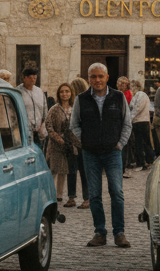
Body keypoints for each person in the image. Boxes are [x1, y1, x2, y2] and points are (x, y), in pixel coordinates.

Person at [70, 63, 132, 247]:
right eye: (93, 76)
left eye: (100, 76)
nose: (97, 80)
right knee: (94, 194)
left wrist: (120, 144)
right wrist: (86, 142)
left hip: (113, 153)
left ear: (107, 77)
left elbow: (127, 123)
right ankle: (100, 232)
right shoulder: (81, 99)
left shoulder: (118, 97)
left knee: (117, 192)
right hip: (91, 154)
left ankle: (119, 233)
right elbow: (74, 125)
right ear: (89, 78)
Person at [44, 82, 75, 205]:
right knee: (53, 169)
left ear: (71, 93)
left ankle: (59, 195)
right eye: (62, 91)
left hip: (69, 144)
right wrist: (58, 138)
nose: (64, 94)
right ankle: (51, 193)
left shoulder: (74, 108)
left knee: (63, 169)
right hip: (56, 144)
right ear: (58, 94)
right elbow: (48, 125)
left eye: (67, 91)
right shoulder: (54, 109)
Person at [69, 76, 90, 208]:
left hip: (80, 141)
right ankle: (82, 198)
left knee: (81, 170)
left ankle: (84, 198)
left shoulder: (81, 104)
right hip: (78, 141)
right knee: (80, 170)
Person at [18, 66, 47, 150]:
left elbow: (45, 111)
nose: (32, 80)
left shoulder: (39, 92)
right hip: (24, 133)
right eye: (30, 78)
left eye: (34, 78)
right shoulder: (18, 92)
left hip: (39, 133)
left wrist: (43, 126)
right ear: (24, 78)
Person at [128, 79, 155, 170]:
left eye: (132, 86)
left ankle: (144, 162)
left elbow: (137, 109)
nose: (131, 89)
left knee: (142, 143)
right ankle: (144, 161)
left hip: (141, 122)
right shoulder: (136, 96)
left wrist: (129, 119)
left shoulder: (141, 95)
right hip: (137, 122)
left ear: (136, 86)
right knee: (140, 143)